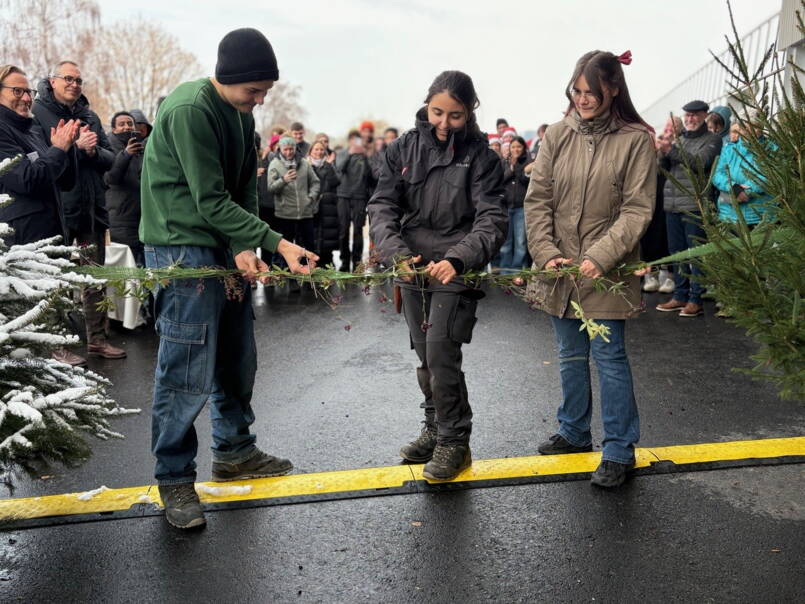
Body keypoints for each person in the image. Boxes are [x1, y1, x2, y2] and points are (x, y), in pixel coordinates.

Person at [139, 28, 318, 529]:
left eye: (265, 92)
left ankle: (235, 449)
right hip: (181, 245)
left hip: (220, 238)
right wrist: (277, 244)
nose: (258, 100)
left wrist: (243, 244)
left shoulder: (240, 113)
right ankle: (174, 478)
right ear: (228, 77)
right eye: (253, 91)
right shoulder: (191, 110)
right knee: (186, 363)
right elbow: (208, 199)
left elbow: (242, 183)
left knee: (237, 353)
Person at [525, 50, 656, 488]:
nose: (582, 99)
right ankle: (574, 430)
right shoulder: (558, 135)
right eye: (576, 91)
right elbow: (537, 199)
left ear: (613, 89)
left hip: (607, 270)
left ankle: (619, 448)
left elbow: (637, 210)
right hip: (560, 268)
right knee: (569, 354)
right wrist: (545, 253)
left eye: (591, 92)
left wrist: (599, 257)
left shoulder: (637, 139)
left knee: (609, 357)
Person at [369, 70, 507, 481]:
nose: (444, 124)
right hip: (411, 267)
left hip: (455, 268)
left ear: (470, 113)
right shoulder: (402, 148)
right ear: (427, 105)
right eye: (437, 113)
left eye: (455, 116)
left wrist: (460, 258)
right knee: (424, 353)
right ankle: (432, 428)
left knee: (442, 351)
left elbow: (492, 218)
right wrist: (396, 254)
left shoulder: (483, 157)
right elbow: (381, 206)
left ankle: (454, 441)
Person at [34, 60, 126, 361]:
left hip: (91, 211)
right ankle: (56, 345)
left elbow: (110, 157)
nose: (74, 84)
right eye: (68, 79)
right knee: (55, 280)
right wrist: (73, 147)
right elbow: (43, 156)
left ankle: (97, 340)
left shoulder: (90, 115)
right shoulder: (38, 113)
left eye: (79, 80)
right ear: (53, 81)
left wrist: (91, 150)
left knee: (94, 278)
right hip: (58, 211)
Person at [656, 99, 722, 317]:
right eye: (687, 115)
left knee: (695, 254)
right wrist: (663, 153)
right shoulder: (680, 139)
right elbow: (665, 168)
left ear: (704, 116)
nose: (690, 119)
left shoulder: (712, 140)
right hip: (672, 204)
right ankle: (680, 295)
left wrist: (671, 150)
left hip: (694, 205)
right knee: (677, 253)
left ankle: (695, 299)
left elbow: (700, 162)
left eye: (694, 115)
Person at [712, 108, 775, 229]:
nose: (749, 130)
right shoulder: (728, 149)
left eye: (754, 125)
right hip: (729, 215)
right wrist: (733, 187)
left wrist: (745, 192)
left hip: (760, 215)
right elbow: (717, 174)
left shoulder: (772, 148)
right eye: (744, 126)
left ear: (761, 126)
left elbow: (769, 175)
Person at [267, 136, 320, 267]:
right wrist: (284, 180)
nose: (289, 152)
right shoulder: (274, 164)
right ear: (280, 149)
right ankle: (289, 276)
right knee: (288, 248)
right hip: (285, 214)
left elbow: (316, 182)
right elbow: (270, 188)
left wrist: (311, 197)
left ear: (295, 149)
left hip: (305, 212)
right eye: (285, 149)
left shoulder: (304, 163)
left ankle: (309, 274)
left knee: (308, 246)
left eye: (291, 149)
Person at [104, 111, 146, 266]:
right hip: (120, 219)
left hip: (141, 218)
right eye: (122, 124)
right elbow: (111, 178)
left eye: (130, 124)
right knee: (127, 267)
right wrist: (126, 154)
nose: (126, 127)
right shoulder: (108, 147)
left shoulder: (141, 146)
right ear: (114, 129)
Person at [335, 130, 375, 271]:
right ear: (349, 140)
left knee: (358, 230)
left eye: (357, 140)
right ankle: (345, 261)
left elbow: (370, 177)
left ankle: (357, 261)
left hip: (360, 196)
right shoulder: (342, 153)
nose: (355, 142)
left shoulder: (364, 155)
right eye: (353, 140)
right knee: (343, 230)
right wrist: (350, 154)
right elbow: (339, 169)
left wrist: (365, 156)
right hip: (343, 195)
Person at [497, 135, 531, 272]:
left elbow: (526, 181)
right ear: (509, 148)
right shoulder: (503, 162)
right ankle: (505, 271)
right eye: (513, 147)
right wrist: (511, 168)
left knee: (521, 242)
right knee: (506, 242)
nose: (516, 149)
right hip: (505, 207)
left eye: (519, 146)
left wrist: (518, 166)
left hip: (521, 208)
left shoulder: (528, 162)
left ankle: (516, 271)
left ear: (523, 148)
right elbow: (500, 180)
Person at [309, 140, 340, 267]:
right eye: (316, 149)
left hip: (328, 206)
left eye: (321, 149)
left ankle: (327, 262)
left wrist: (328, 165)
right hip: (312, 205)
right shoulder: (306, 165)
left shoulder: (329, 165)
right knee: (313, 234)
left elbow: (336, 182)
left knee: (327, 235)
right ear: (311, 151)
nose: (319, 152)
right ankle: (313, 261)